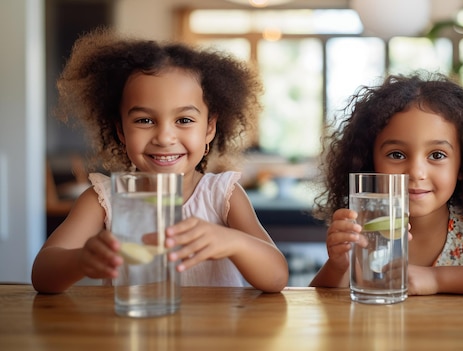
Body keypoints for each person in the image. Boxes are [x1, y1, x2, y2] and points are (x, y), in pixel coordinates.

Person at [32, 28, 289, 294]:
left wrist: (235, 242)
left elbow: (277, 276)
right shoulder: (103, 200)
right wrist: (80, 260)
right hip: (130, 334)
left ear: (209, 128)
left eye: (184, 120)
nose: (165, 137)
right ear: (121, 129)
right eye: (145, 120)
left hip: (217, 335)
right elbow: (42, 275)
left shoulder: (223, 195)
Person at [309, 71, 463, 296]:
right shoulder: (364, 222)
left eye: (437, 155)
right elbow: (320, 300)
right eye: (396, 154)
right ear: (369, 162)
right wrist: (339, 265)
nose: (416, 172)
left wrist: (435, 279)